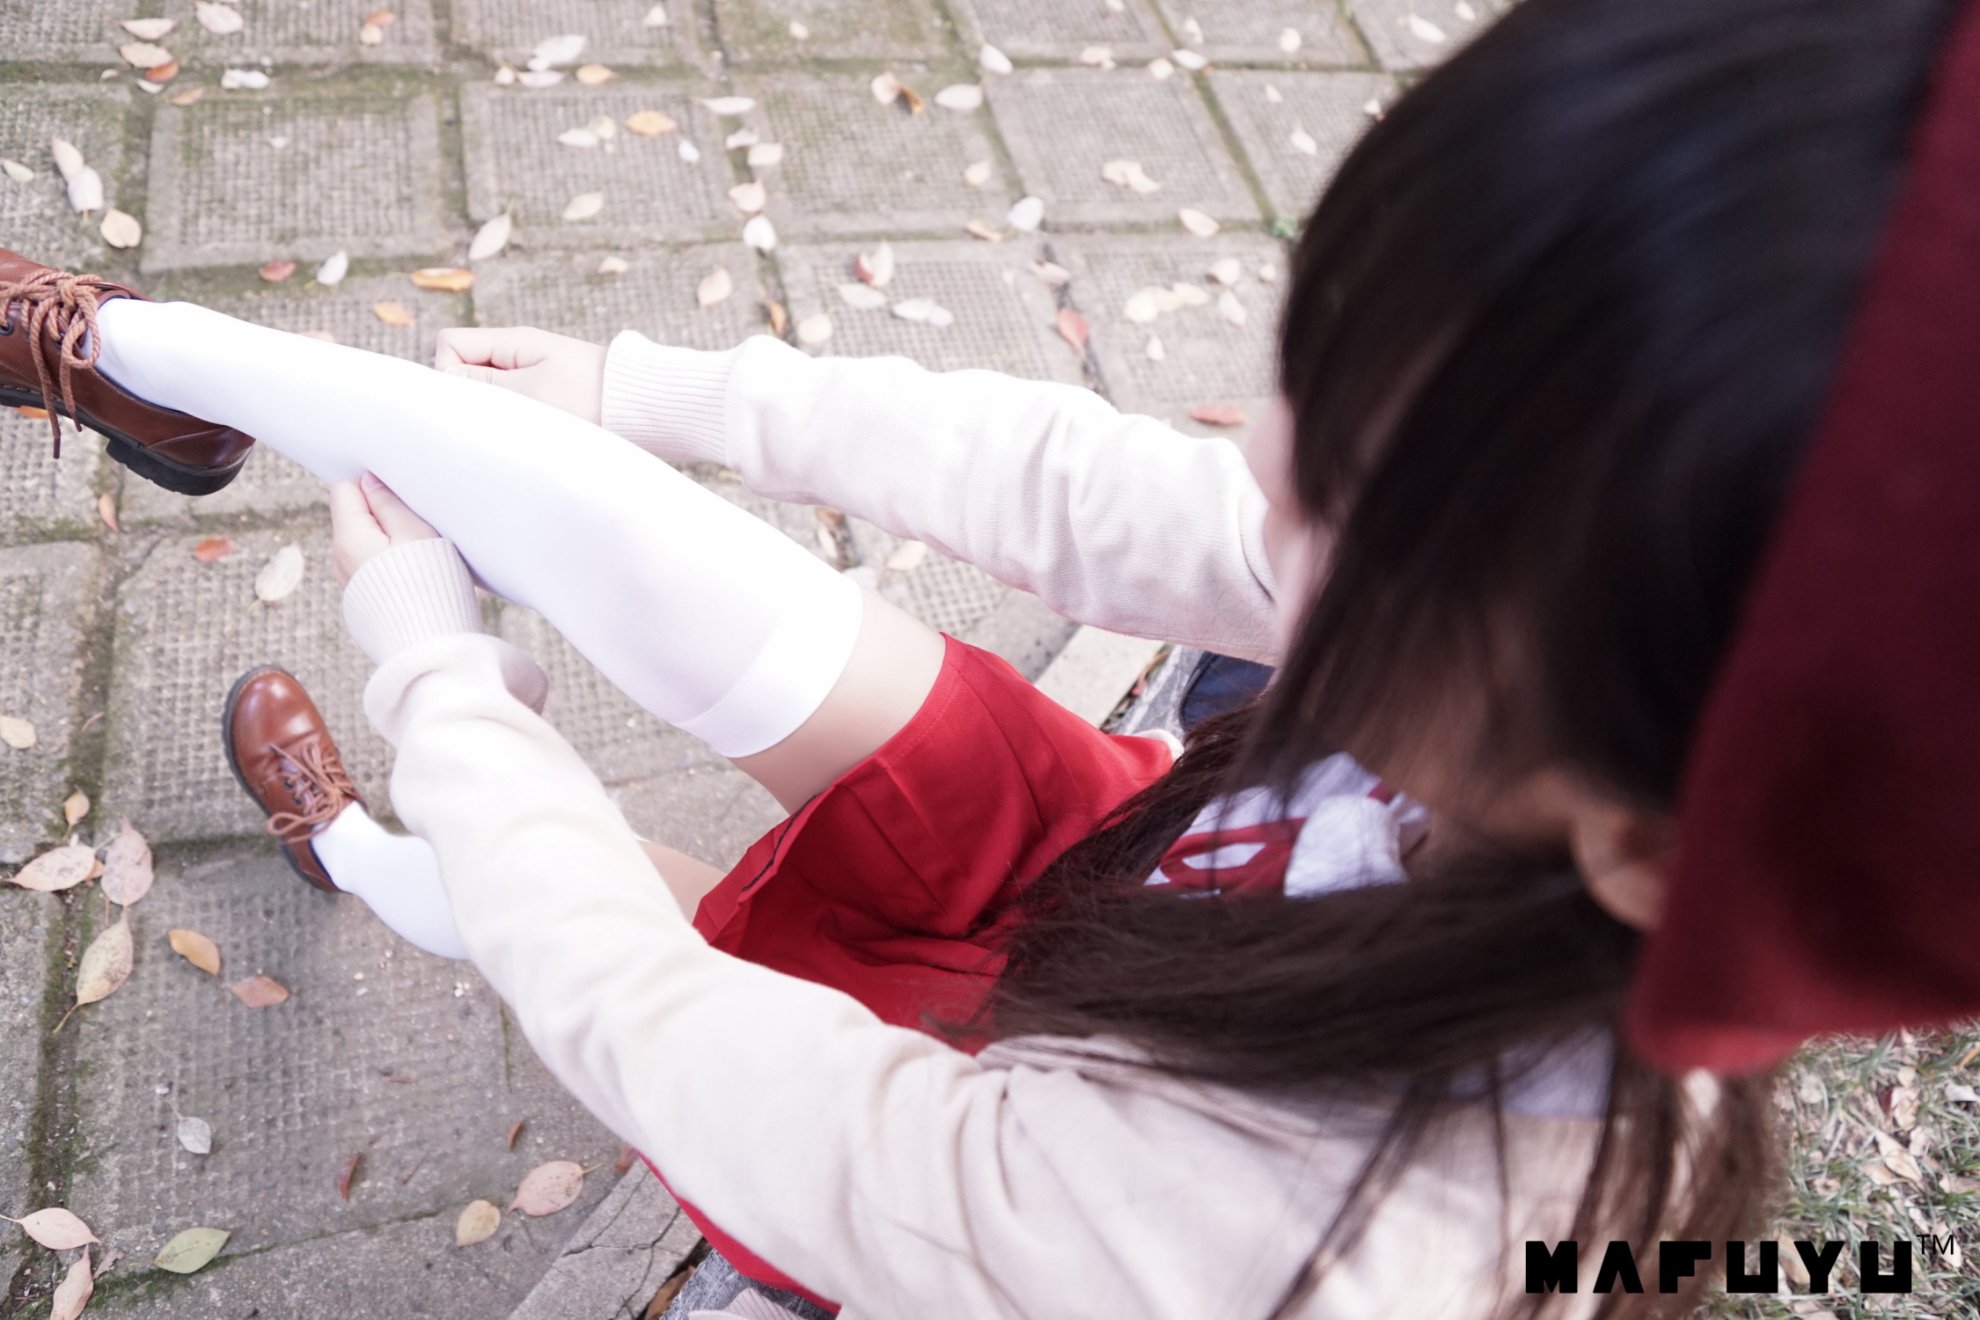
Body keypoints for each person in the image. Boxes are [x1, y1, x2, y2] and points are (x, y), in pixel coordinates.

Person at [4, 0, 1978, 1313]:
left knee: (650, 922)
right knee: (717, 609)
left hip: (1011, 1156)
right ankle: (136, 361)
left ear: (1652, 823)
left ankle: (363, 849)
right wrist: (665, 391)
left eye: (1366, 504)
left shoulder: (1305, 1247)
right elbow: (1108, 491)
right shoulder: (1571, 655)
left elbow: (671, 1037)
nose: (1257, 456)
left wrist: (439, 680)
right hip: (1145, 885)